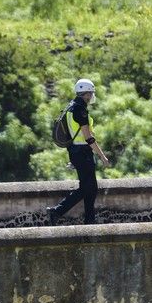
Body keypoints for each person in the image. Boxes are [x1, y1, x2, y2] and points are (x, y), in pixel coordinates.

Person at [47, 78, 110, 225]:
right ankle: (57, 211)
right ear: (86, 93)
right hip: (82, 152)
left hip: (77, 151)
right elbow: (88, 137)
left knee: (91, 187)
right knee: (87, 187)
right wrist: (102, 156)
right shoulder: (79, 109)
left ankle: (89, 220)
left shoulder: (71, 106)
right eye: (91, 93)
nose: (91, 96)